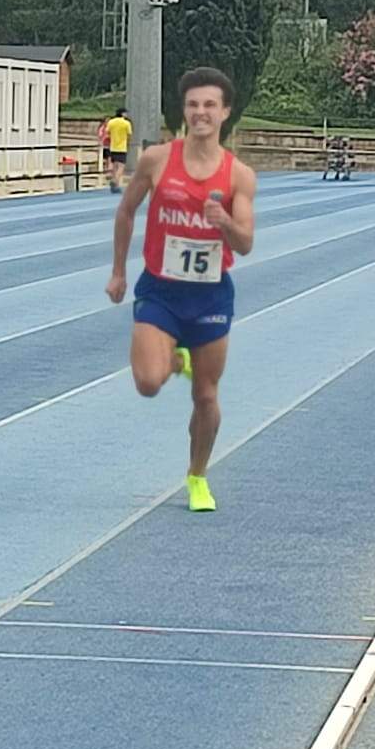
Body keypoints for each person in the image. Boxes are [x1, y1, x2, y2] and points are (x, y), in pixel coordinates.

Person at [106, 67, 257, 514]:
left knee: (206, 395)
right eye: (193, 104)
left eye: (210, 105)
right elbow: (126, 211)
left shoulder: (238, 176)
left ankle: (197, 476)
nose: (200, 112)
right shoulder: (157, 159)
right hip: (161, 291)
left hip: (210, 296)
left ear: (225, 113)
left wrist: (224, 223)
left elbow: (245, 243)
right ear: (184, 111)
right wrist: (118, 271)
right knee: (148, 382)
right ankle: (174, 358)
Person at [103, 107, 133, 192]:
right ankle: (115, 181)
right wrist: (128, 143)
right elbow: (129, 135)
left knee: (115, 166)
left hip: (113, 147)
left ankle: (115, 185)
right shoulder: (126, 123)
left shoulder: (111, 122)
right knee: (121, 167)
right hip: (122, 147)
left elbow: (107, 133)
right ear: (122, 114)